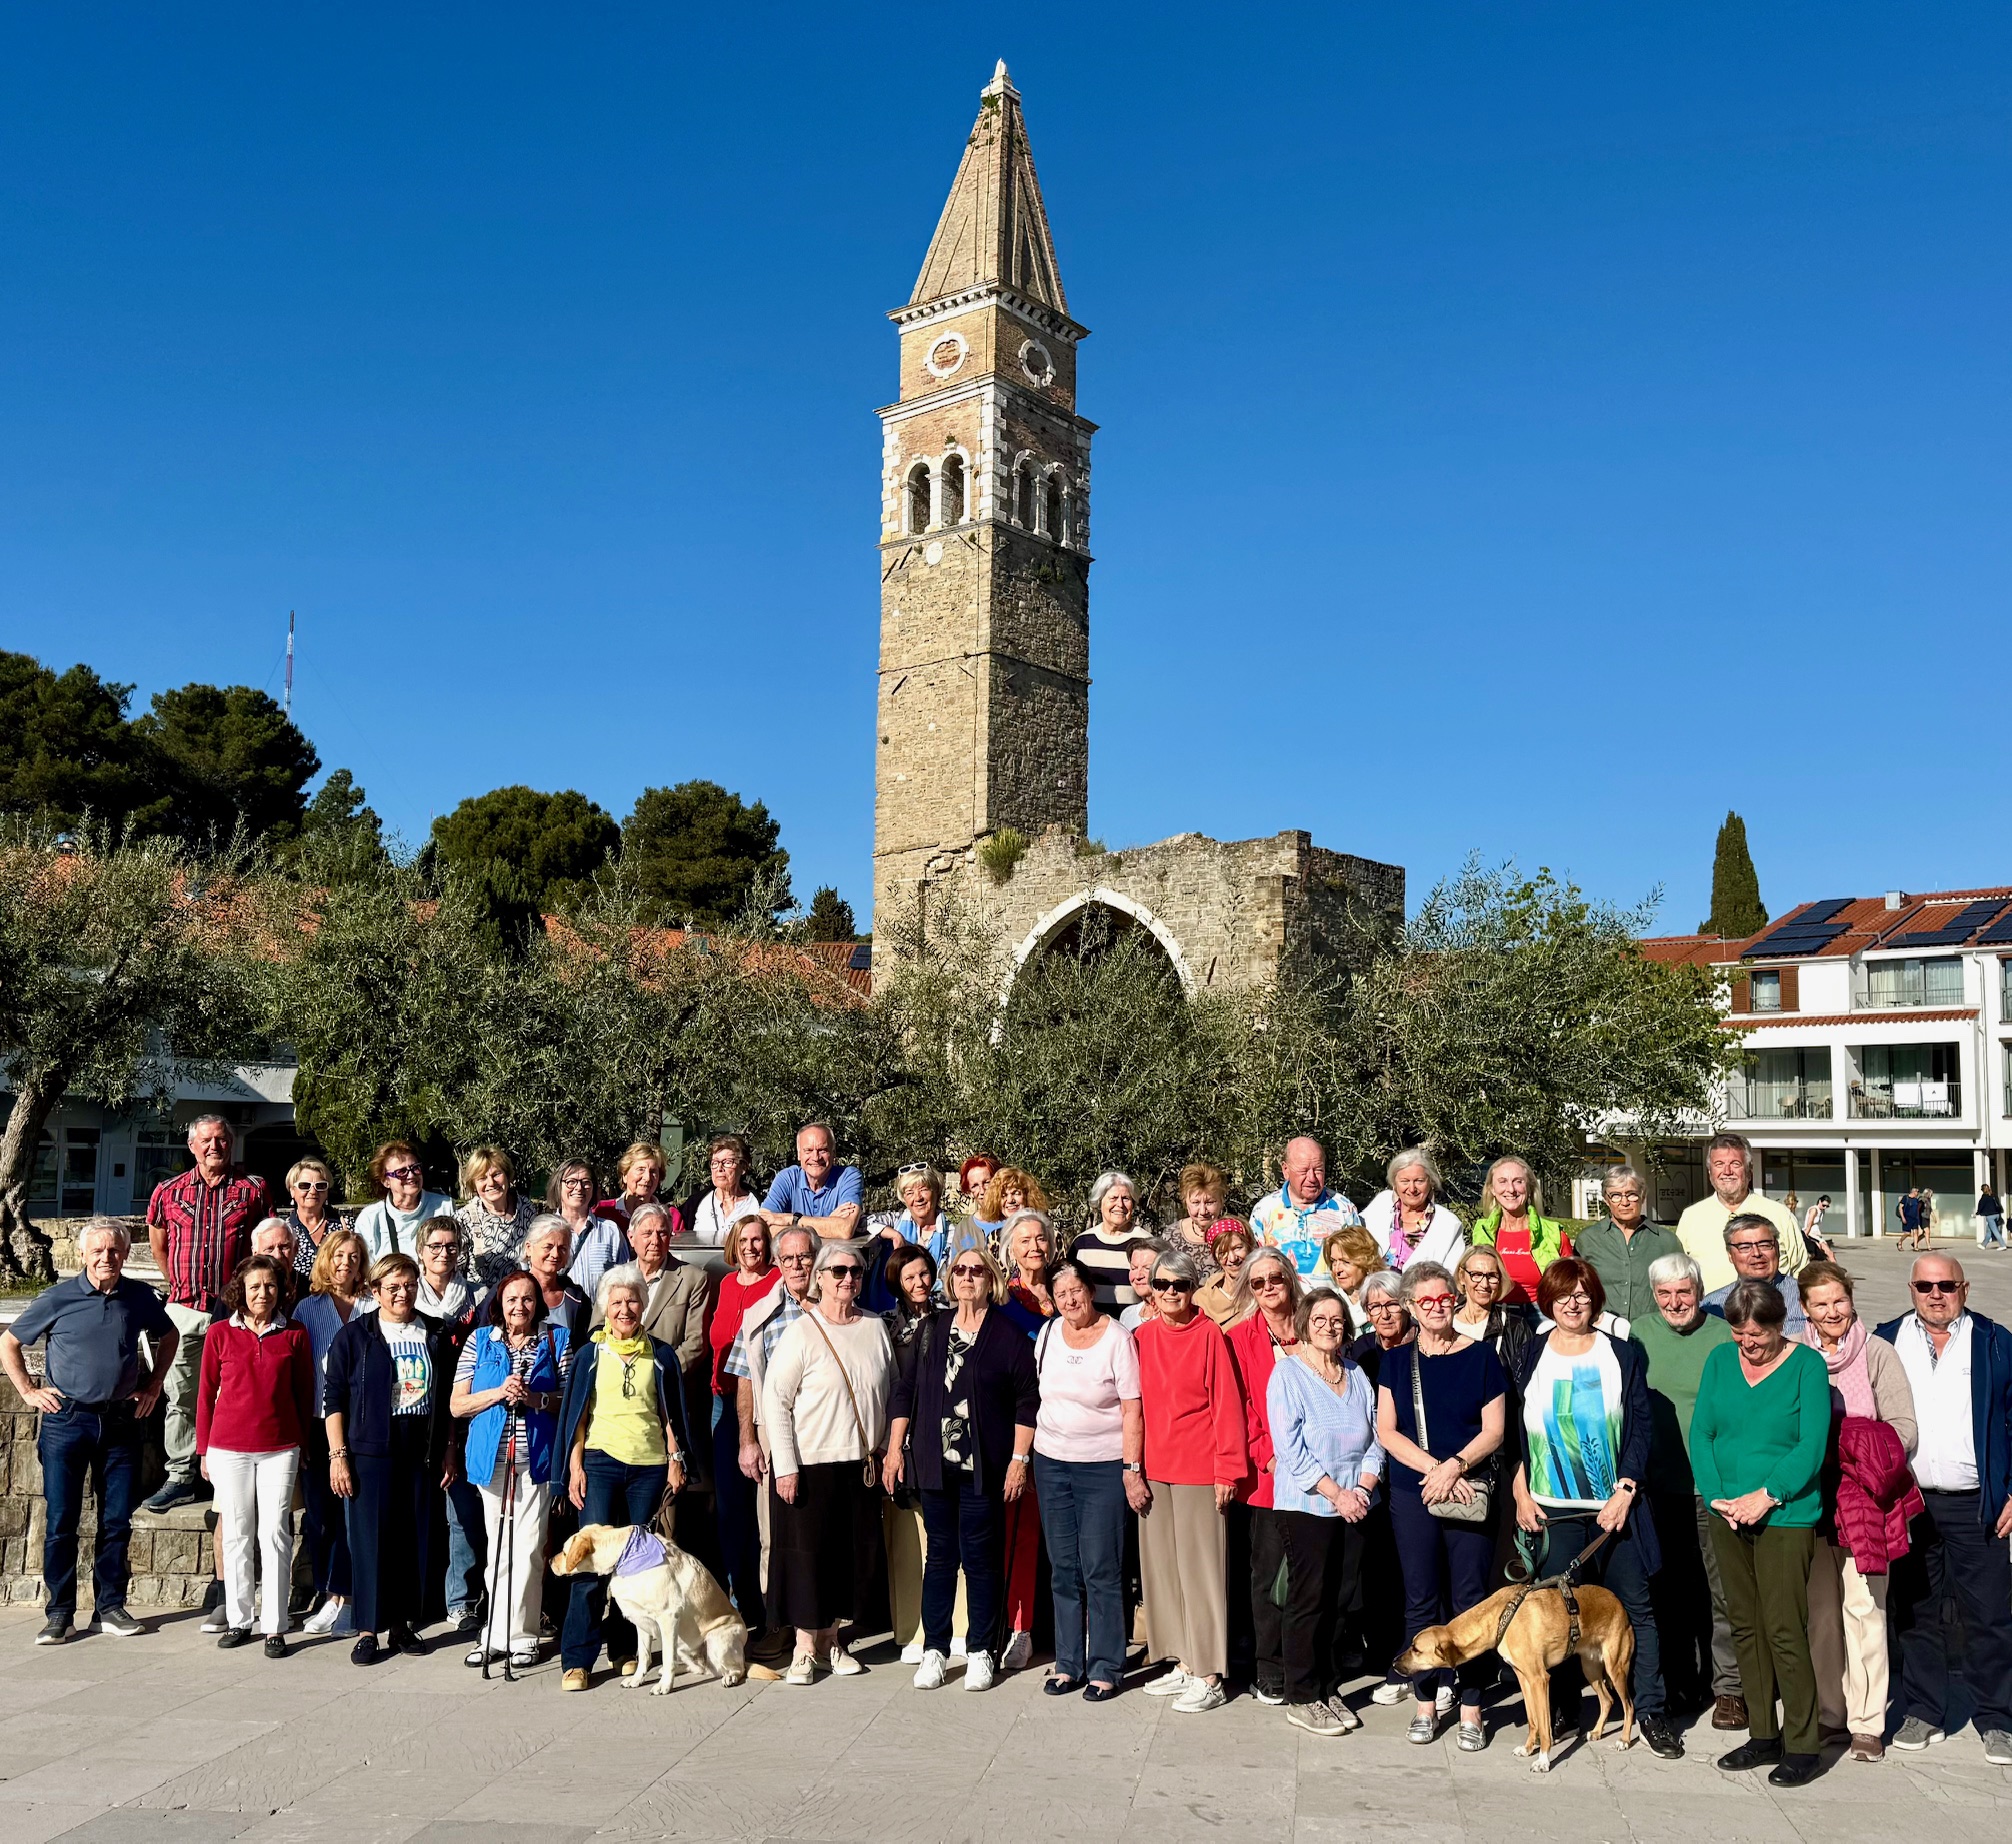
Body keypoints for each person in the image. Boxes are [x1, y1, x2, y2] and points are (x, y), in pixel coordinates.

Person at [1508, 1259, 1680, 1758]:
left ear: (1596, 1298)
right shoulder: (1531, 1351)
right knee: (1556, 1616)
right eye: (1564, 1295)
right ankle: (1562, 1708)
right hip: (1552, 1508)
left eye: (1583, 1294)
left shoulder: (1621, 1354)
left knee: (1635, 1609)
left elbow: (1642, 1425)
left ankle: (1650, 1710)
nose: (1573, 1304)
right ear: (1549, 1301)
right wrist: (1522, 1489)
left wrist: (1626, 1489)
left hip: (1614, 1508)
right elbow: (1521, 1431)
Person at [3, 1219, 175, 1644]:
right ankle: (59, 1612)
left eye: (114, 1251)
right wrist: (28, 1390)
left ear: (123, 1254)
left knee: (116, 1521)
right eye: (97, 1251)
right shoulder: (58, 1297)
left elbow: (168, 1335)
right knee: (62, 1520)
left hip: (120, 1421)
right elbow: (9, 1343)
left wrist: (154, 1383)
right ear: (82, 1256)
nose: (106, 1258)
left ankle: (110, 1607)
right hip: (67, 1421)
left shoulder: (138, 1296)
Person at [1690, 1278, 1832, 1786]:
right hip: (1727, 1512)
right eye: (1738, 1333)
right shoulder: (1720, 1363)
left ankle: (1802, 1743)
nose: (1747, 1343)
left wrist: (1767, 1495)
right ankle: (1762, 1732)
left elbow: (1810, 1446)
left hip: (1784, 1515)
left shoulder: (1807, 1368)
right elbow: (1702, 1431)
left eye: (1757, 1334)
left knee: (1783, 1628)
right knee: (1743, 1625)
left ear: (1779, 1325)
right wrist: (1716, 1496)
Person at [1875, 1254, 2012, 1765]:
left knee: (1990, 1614)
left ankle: (1998, 1717)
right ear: (1911, 1289)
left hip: (1980, 1505)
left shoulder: (1996, 1343)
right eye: (1926, 1285)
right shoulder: (1886, 1339)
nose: (1937, 1293)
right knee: (1916, 1611)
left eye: (1947, 1285)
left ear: (1965, 1288)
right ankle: (1925, 1710)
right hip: (1908, 1502)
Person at [887, 1245, 1040, 1691]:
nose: (968, 1276)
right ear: (950, 1280)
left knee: (980, 1561)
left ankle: (979, 1651)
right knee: (939, 1559)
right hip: (935, 1467)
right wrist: (896, 1449)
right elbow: (906, 1389)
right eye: (960, 1270)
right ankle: (935, 1649)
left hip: (982, 1470)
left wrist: (1018, 1460)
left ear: (990, 1280)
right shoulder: (932, 1328)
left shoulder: (1007, 1335)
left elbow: (1027, 1401)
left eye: (977, 1270)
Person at [1373, 1261, 1507, 1750]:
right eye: (1424, 1301)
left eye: (1443, 1298)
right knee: (1421, 1599)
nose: (1435, 1307)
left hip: (1468, 1491)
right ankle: (1426, 1702)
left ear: (1456, 1298)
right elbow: (1387, 1431)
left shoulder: (1483, 1358)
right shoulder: (1395, 1361)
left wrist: (1455, 1466)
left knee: (1471, 1601)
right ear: (1410, 1305)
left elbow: (1494, 1429)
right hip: (1415, 1493)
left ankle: (1472, 1706)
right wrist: (1436, 1470)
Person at [1796, 1260, 1918, 1762]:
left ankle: (1868, 1721)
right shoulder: (1794, 1355)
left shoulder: (1877, 1353)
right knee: (1821, 1614)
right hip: (1810, 1500)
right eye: (1820, 1303)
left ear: (1852, 1300)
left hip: (1867, 1499)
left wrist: (1859, 1452)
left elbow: (1904, 1427)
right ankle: (1831, 1714)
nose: (1832, 1311)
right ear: (1804, 1308)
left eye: (1839, 1301)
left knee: (1866, 1609)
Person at [763, 1241, 895, 1684]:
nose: (847, 1279)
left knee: (847, 1558)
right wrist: (785, 1465)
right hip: (809, 1462)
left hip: (859, 1464)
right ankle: (804, 1649)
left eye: (855, 1271)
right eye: (837, 1271)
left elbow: (891, 1389)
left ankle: (831, 1642)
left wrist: (884, 1446)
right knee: (808, 1559)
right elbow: (775, 1400)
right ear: (819, 1277)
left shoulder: (876, 1327)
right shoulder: (801, 1331)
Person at [556, 1263, 690, 1690]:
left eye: (632, 1300)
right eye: (616, 1301)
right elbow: (577, 1417)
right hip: (599, 1464)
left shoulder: (662, 1354)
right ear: (605, 1308)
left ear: (643, 1305)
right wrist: (574, 1466)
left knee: (639, 1566)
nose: (625, 1308)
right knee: (588, 1562)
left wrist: (675, 1458)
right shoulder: (589, 1355)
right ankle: (577, 1660)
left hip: (648, 1469)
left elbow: (671, 1415)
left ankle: (626, 1651)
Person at [323, 1252, 457, 1666]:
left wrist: (450, 1449)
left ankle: (402, 1624)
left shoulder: (435, 1333)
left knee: (413, 1536)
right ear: (376, 1291)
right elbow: (334, 1397)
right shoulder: (355, 1336)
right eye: (393, 1287)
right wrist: (338, 1454)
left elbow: (451, 1397)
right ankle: (367, 1629)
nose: (403, 1293)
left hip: (421, 1445)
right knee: (369, 1540)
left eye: (409, 1285)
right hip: (369, 1448)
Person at [1631, 1252, 1741, 1727]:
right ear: (1654, 1296)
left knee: (1719, 1591)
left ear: (1699, 1290)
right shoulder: (1639, 1333)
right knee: (1668, 1590)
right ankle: (1677, 1682)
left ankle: (1729, 1688)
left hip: (1711, 1486)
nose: (1675, 1301)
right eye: (1665, 1293)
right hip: (1656, 1487)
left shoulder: (1722, 1335)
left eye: (1684, 1291)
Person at [1268, 1286, 1384, 1736]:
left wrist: (1361, 1489)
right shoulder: (1288, 1375)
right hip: (1308, 1506)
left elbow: (1376, 1440)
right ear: (1304, 1324)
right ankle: (1302, 1693)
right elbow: (1291, 1450)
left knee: (1341, 1602)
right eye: (1320, 1319)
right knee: (1309, 1600)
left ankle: (1328, 1687)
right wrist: (1337, 1494)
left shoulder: (1356, 1374)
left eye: (1337, 1320)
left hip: (1356, 1504)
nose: (1330, 1327)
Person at [1134, 1247, 1245, 1715]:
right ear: (1152, 1290)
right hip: (1155, 1470)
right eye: (1162, 1285)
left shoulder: (1209, 1336)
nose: (1171, 1293)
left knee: (1201, 1575)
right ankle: (1182, 1661)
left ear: (1192, 1288)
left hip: (1201, 1469)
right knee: (1164, 1573)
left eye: (1180, 1285)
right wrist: (1131, 1467)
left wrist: (1227, 1469)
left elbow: (1226, 1406)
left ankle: (1210, 1673)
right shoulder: (1139, 1336)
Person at [1031, 1258, 1146, 1700]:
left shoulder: (1118, 1339)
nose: (1070, 1300)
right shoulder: (1047, 1335)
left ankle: (1105, 1666)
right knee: (1063, 1568)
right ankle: (1067, 1664)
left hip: (1102, 1467)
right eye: (1061, 1295)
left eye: (1075, 1291)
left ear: (1090, 1290)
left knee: (1101, 1568)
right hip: (1052, 1463)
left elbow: (1132, 1408)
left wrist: (1132, 1470)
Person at [143, 1114, 269, 1512]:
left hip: (232, 1311)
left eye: (221, 1139)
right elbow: (159, 1245)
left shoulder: (252, 1190)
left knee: (234, 1393)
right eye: (206, 1140)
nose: (214, 1146)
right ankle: (181, 1474)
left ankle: (228, 1470)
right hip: (183, 1308)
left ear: (230, 1144)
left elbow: (261, 1245)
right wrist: (179, 1284)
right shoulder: (167, 1191)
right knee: (179, 1392)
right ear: (192, 1146)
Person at [194, 1253, 315, 1655]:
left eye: (270, 1286)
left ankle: (275, 1625)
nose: (263, 1293)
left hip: (280, 1448)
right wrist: (204, 1449)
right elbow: (206, 1395)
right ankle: (239, 1619)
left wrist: (304, 1443)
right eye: (255, 1287)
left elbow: (304, 1393)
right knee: (236, 1533)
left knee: (275, 1532)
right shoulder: (219, 1335)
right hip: (228, 1448)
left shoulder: (295, 1333)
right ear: (240, 1292)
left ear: (280, 1291)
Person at [451, 1270, 570, 1670]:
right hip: (492, 1461)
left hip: (534, 1462)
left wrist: (535, 1399)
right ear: (499, 1304)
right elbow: (457, 1405)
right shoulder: (480, 1341)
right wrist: (499, 1392)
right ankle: (494, 1634)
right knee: (497, 1550)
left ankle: (523, 1635)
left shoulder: (557, 1340)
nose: (520, 1306)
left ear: (538, 1303)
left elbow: (569, 1402)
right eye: (512, 1299)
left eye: (528, 1299)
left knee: (529, 1549)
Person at [598, 1201, 712, 1562]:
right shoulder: (613, 1277)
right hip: (614, 1419)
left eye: (663, 1232)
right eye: (646, 1232)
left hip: (666, 1414)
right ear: (631, 1237)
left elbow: (696, 1343)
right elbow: (594, 1335)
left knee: (663, 1523)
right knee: (612, 1526)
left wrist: (653, 1374)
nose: (655, 1239)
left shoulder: (692, 1278)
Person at [725, 1224, 816, 1662]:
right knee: (772, 1535)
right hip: (773, 1432)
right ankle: (778, 1624)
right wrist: (747, 1439)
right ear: (778, 1264)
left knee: (822, 1532)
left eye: (805, 1257)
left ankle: (822, 1626)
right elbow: (744, 1377)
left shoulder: (837, 1306)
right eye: (790, 1258)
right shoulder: (761, 1313)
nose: (798, 1265)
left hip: (826, 1434)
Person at [1225, 1248, 1304, 1706]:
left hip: (1320, 1476)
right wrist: (1269, 1457)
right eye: (1258, 1282)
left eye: (1276, 1277)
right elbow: (1243, 1409)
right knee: (1267, 1576)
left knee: (1312, 1577)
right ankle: (1268, 1667)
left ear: (1289, 1278)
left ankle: (1308, 1663)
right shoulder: (1240, 1339)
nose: (1269, 1286)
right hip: (1271, 1475)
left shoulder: (1316, 1322)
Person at [708, 1213, 781, 1632]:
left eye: (758, 1239)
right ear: (734, 1245)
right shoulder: (726, 1285)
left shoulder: (777, 1283)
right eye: (744, 1239)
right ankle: (742, 1602)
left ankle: (771, 1604)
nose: (751, 1247)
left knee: (764, 1512)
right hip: (723, 1403)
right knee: (731, 1510)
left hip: (762, 1407)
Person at [295, 1230, 369, 1636]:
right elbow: (301, 1374)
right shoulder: (308, 1309)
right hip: (318, 1423)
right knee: (321, 1517)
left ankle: (351, 1596)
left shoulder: (374, 1307)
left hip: (361, 1425)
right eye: (339, 1255)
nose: (346, 1263)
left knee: (353, 1514)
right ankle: (328, 1595)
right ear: (326, 1260)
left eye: (354, 1256)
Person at [1677, 1131, 1808, 1293]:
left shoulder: (1780, 1215)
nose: (1727, 1171)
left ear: (1749, 1171)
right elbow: (1679, 1273)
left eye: (1735, 1164)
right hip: (1710, 1314)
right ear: (1710, 1172)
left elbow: (1801, 1273)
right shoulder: (1691, 1217)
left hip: (1772, 1314)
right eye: (1719, 1164)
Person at [1576, 1166, 1684, 1327]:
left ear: (1643, 1196)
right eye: (1616, 1196)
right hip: (1601, 1333)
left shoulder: (1667, 1242)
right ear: (1606, 1199)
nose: (1624, 1202)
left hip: (1653, 1331)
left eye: (1631, 1194)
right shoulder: (1588, 1240)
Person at [1249, 1135, 1362, 1282]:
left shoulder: (1344, 1209)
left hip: (1333, 1302)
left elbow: (1360, 1263)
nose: (1312, 1178)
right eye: (1303, 1171)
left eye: (1318, 1170)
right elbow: (1253, 1267)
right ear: (1285, 1170)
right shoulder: (1264, 1211)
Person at [1467, 1156, 1572, 1307]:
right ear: (1492, 1189)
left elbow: (1571, 1283)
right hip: (1493, 1312)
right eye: (1502, 1181)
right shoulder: (1481, 1231)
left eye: (1518, 1181)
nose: (1511, 1189)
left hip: (1541, 1314)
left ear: (1528, 1188)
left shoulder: (1553, 1233)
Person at [1361, 1149, 1466, 1275]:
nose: (1412, 1189)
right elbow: (1354, 1239)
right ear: (1394, 1183)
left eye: (1419, 1181)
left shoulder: (1448, 1223)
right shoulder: (1381, 1204)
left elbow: (1452, 1275)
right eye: (1404, 1181)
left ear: (1431, 1182)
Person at [1704, 1213, 1809, 1336]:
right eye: (1745, 1247)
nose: (1756, 1253)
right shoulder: (1712, 1307)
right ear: (1730, 1255)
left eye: (1764, 1245)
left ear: (1777, 1248)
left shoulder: (1807, 1296)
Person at [351, 1140, 452, 1264]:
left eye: (416, 1168)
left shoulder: (444, 1207)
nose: (411, 1176)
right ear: (385, 1181)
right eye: (401, 1172)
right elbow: (366, 1269)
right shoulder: (370, 1218)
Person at [762, 1122, 865, 1242]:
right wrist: (828, 1223)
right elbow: (763, 1226)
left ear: (833, 1153)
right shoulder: (787, 1178)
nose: (816, 1157)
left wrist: (790, 1219)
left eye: (822, 1150)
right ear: (799, 1154)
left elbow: (845, 1229)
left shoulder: (848, 1177)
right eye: (808, 1150)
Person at [456, 1146, 538, 1290]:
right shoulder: (464, 1218)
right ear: (473, 1184)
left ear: (507, 1175)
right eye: (482, 1178)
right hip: (483, 1305)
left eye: (496, 1174)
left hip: (522, 1298)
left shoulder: (526, 1208)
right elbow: (455, 1270)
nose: (491, 1183)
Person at [1449, 1245, 1532, 1384]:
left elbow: (1525, 1381)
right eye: (1476, 1275)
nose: (1485, 1284)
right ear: (1462, 1277)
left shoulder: (1515, 1327)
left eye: (1492, 1276)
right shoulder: (1445, 1322)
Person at [550, 1159, 629, 1303]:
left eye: (586, 1182)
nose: (579, 1188)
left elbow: (625, 1281)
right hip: (554, 1321)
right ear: (558, 1185)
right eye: (571, 1181)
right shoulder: (543, 1231)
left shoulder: (610, 1232)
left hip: (599, 1322)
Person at [1070, 1172, 1144, 1312]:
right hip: (1091, 1329)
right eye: (1113, 1198)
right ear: (1100, 1201)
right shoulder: (1082, 1243)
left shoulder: (1146, 1243)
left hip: (1134, 1329)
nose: (1120, 1205)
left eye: (1126, 1198)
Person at [522, 1214, 591, 1346]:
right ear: (529, 1248)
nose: (555, 1254)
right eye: (548, 1247)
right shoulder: (507, 1291)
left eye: (562, 1248)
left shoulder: (577, 1298)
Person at [688, 1133, 763, 1248]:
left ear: (743, 1167)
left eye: (727, 1162)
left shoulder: (759, 1205)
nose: (719, 1168)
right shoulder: (695, 1204)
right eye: (715, 1163)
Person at [281, 1157, 349, 1279]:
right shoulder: (284, 1231)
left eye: (321, 1185)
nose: (313, 1191)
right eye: (304, 1185)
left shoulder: (345, 1226)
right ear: (292, 1191)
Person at [595, 1139, 681, 1233]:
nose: (647, 1177)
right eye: (641, 1169)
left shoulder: (671, 1216)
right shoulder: (602, 1211)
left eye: (653, 1171)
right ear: (625, 1175)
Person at [1165, 1162, 1231, 1282]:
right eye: (1195, 1203)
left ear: (1221, 1201)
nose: (1202, 1211)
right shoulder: (1171, 1235)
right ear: (1186, 1202)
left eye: (1209, 1202)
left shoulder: (1234, 1234)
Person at [1350, 1269, 1414, 1386]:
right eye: (1375, 1307)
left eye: (1393, 1304)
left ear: (1406, 1307)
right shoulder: (1362, 1348)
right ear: (1367, 1315)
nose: (1385, 1315)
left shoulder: (1424, 1344)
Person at [1001, 1208, 1058, 1333]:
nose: (1035, 1247)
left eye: (1041, 1239)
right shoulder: (1004, 1299)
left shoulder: (1062, 1287)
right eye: (1025, 1241)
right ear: (1011, 1251)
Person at [1322, 1224, 1385, 1334]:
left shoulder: (1386, 1298)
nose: (1337, 1269)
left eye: (1345, 1262)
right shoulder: (1327, 1303)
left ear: (1366, 1261)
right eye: (1333, 1261)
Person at [416, 1217, 475, 1325]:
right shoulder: (408, 1297)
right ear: (420, 1251)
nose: (444, 1254)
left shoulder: (477, 1295)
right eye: (435, 1246)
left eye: (451, 1246)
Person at [1195, 1221, 1255, 1327]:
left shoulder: (1262, 1291)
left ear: (1249, 1246)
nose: (1232, 1259)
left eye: (1238, 1248)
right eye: (1222, 1253)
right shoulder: (1201, 1299)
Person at [1117, 1237, 1162, 1331]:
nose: (1138, 1276)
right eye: (1134, 1268)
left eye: (1147, 1268)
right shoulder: (1128, 1315)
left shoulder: (1175, 1317)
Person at [1977, 1183, 2005, 1252]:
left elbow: (1981, 1206)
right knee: (1989, 1231)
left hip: (1990, 1216)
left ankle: (2002, 1245)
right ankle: (1983, 1245)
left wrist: (1978, 1213)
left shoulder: (1984, 1197)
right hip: (1997, 1215)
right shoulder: (1993, 1195)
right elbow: (1998, 1204)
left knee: (1995, 1231)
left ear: (1983, 1190)